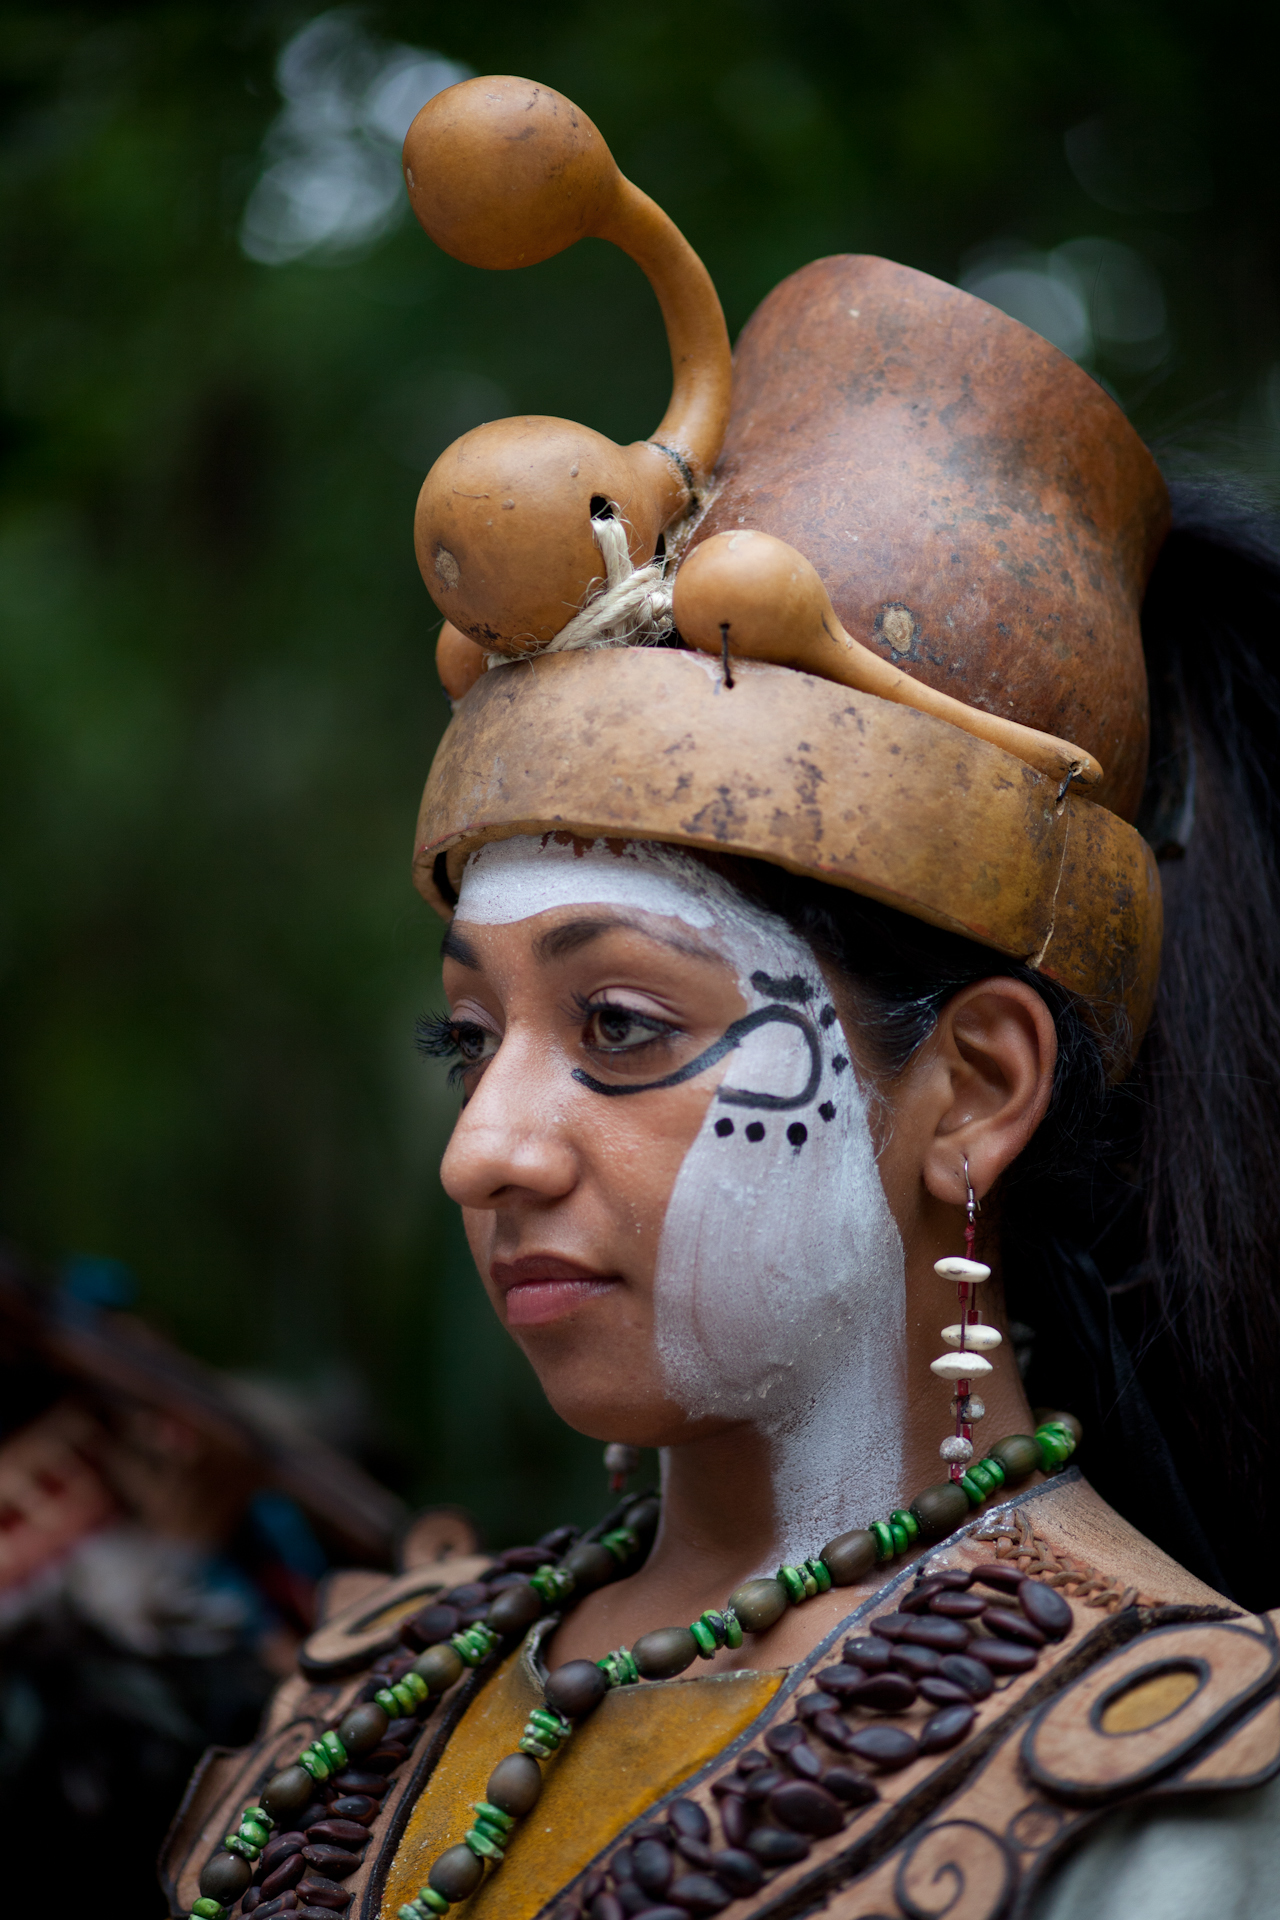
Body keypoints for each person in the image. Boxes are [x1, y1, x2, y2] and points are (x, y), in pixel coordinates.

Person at [163, 77, 1280, 1920]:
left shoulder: (1182, 1796)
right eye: (472, 1034)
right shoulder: (348, 1716)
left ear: (980, 1088)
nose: (486, 1150)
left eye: (619, 1028)